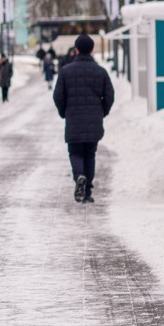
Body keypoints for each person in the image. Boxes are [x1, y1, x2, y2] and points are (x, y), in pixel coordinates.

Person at [53, 33, 115, 203]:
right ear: (92, 50)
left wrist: (63, 112)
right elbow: (109, 95)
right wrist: (102, 112)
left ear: (77, 49)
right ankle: (87, 191)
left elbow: (58, 96)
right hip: (94, 120)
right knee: (90, 154)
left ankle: (79, 176)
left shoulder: (65, 71)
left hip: (73, 120)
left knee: (75, 152)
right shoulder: (100, 72)